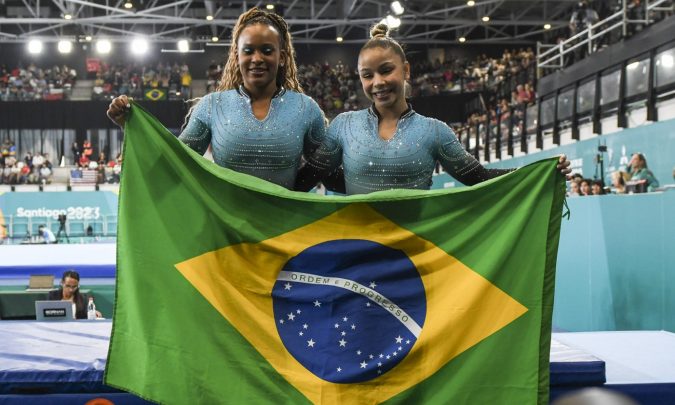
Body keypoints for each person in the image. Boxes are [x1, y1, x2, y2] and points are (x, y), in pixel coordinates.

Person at [296, 23, 570, 195]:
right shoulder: (344, 126)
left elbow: (480, 177)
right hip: (358, 258)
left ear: (405, 70)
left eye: (386, 70)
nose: (377, 82)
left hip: (415, 261)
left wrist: (541, 172)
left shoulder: (435, 131)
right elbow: (311, 178)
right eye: (367, 75)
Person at [107, 7, 334, 191]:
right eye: (248, 51)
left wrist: (293, 191)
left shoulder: (305, 109)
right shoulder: (211, 107)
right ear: (236, 56)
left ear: (282, 57)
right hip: (227, 236)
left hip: (286, 234)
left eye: (266, 50)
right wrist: (133, 128)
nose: (257, 58)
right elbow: (173, 163)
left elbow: (327, 172)